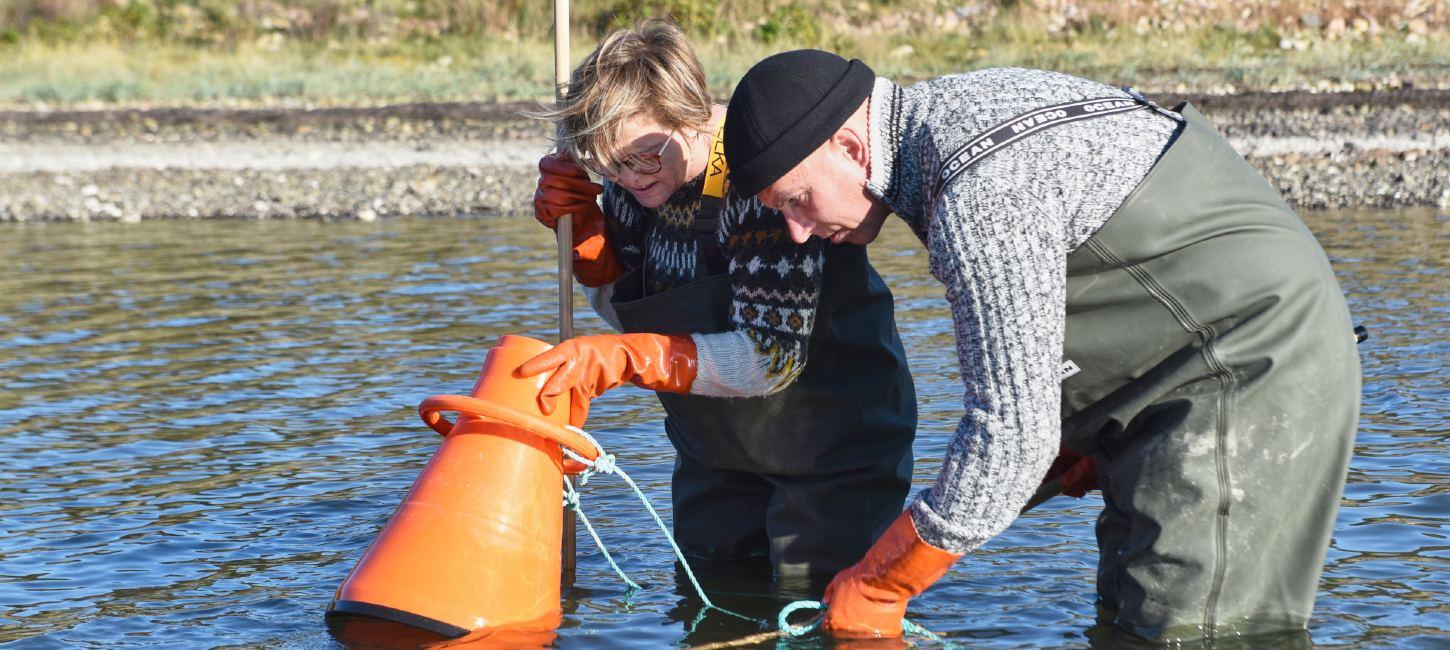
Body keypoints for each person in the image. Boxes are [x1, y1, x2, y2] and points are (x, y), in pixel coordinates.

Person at [715, 51, 1362, 642]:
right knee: (1127, 617)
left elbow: (1010, 440)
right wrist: (1081, 424)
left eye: (797, 201)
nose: (796, 232)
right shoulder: (956, 113)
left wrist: (880, 585)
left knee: (1191, 631)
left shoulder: (977, 189)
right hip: (1173, 378)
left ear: (852, 146)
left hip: (1250, 366)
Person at [519, 21, 918, 582]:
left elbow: (769, 359)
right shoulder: (632, 180)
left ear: (691, 111)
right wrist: (590, 248)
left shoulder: (762, 183)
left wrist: (623, 360)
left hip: (831, 448)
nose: (629, 178)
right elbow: (636, 311)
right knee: (706, 596)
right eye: (608, 163)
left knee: (820, 606)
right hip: (714, 452)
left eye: (645, 157)